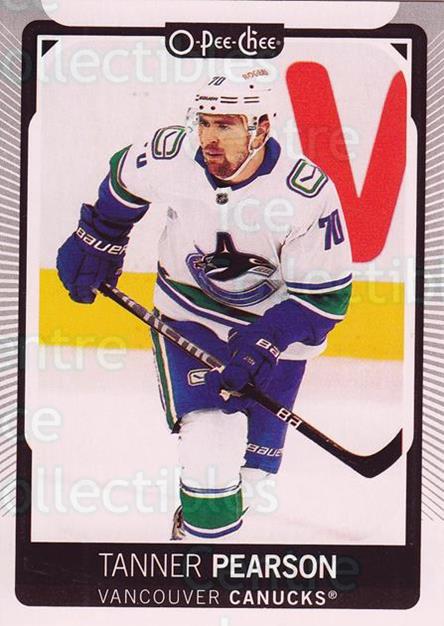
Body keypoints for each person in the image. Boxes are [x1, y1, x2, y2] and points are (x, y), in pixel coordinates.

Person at [56, 66, 352, 541]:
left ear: (261, 129)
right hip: (187, 315)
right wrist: (99, 236)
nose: (210, 139)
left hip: (275, 331)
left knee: (253, 480)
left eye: (227, 126)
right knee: (211, 451)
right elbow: (124, 181)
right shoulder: (173, 156)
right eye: (205, 123)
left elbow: (325, 300)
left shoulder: (304, 194)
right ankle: (198, 559)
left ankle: (207, 524)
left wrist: (265, 343)